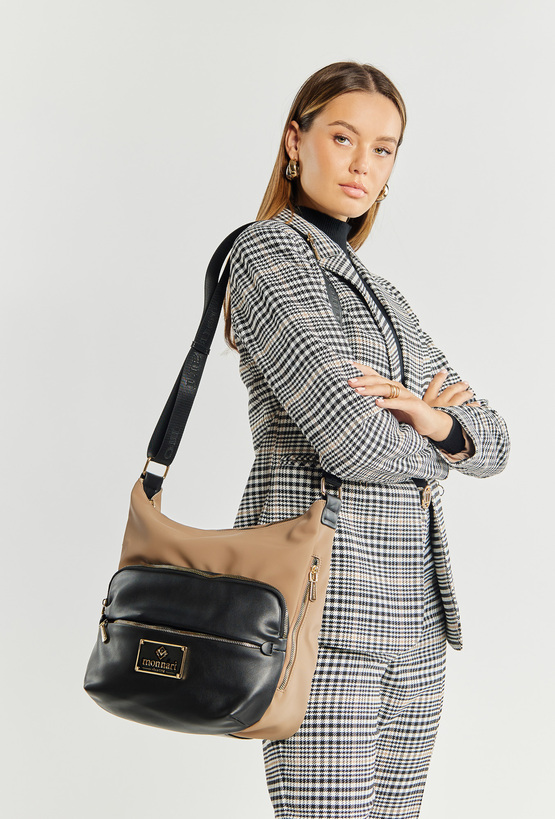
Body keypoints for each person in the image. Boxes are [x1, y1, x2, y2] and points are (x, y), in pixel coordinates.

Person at [223, 61, 510, 819]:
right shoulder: (266, 254)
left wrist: (436, 419)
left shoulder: (383, 294)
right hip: (321, 614)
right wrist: (435, 443)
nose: (363, 165)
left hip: (418, 624)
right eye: (343, 138)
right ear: (296, 141)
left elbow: (495, 440)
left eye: (383, 149)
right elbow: (351, 438)